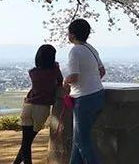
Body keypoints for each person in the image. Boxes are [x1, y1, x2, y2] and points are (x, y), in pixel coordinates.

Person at [63, 19, 106, 164]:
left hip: (84, 99)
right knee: (78, 139)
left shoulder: (75, 51)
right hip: (99, 95)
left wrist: (65, 80)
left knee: (83, 143)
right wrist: (91, 80)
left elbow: (74, 76)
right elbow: (102, 71)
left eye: (68, 32)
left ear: (73, 34)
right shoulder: (91, 48)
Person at [14, 44, 63, 164]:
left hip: (28, 106)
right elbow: (60, 81)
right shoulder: (53, 71)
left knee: (26, 142)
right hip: (41, 108)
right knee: (27, 141)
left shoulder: (33, 72)